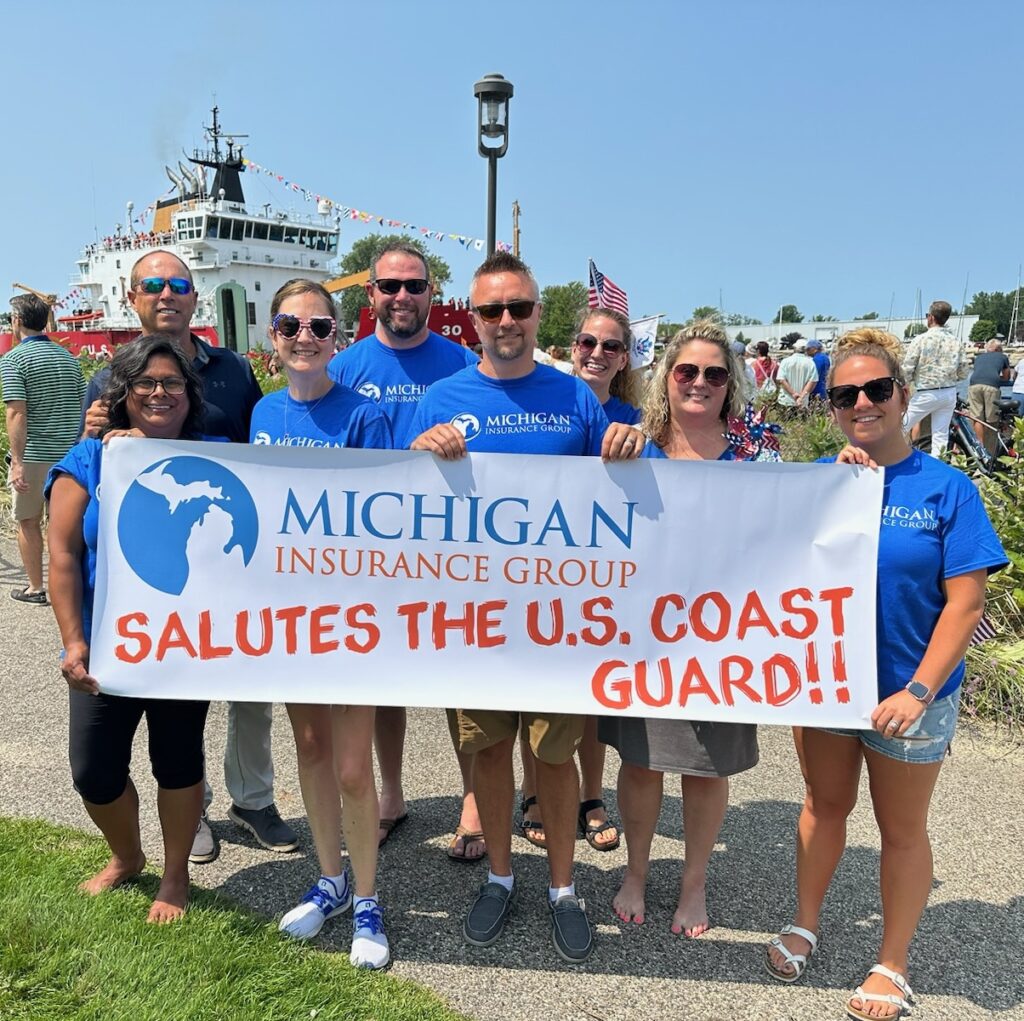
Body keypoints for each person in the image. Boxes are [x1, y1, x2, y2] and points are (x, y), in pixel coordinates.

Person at [408, 251, 642, 964]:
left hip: (557, 623)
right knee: (485, 751)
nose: (505, 321)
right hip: (474, 619)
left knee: (555, 755)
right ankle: (503, 876)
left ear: (539, 313)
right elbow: (392, 503)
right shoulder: (440, 400)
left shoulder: (576, 397)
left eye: (519, 308)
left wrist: (627, 447)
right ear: (471, 317)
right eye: (491, 310)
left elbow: (614, 489)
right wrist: (419, 452)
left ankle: (563, 889)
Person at [765, 328, 1006, 1020]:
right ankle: (806, 919)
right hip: (826, 686)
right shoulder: (821, 477)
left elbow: (966, 604)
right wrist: (827, 484)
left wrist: (919, 689)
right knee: (822, 804)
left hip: (911, 690)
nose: (862, 403)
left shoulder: (947, 488)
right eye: (846, 394)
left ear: (903, 395)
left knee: (902, 830)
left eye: (876, 390)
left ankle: (892, 961)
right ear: (831, 404)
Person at [82, 250, 296, 866]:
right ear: (133, 296)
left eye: (179, 284)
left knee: (250, 690)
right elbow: (90, 476)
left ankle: (253, 799)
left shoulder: (230, 368)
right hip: (161, 564)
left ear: (194, 297)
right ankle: (191, 811)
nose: (167, 294)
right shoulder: (109, 378)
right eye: (154, 285)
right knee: (177, 702)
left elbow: (264, 447)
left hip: (230, 553)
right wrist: (101, 437)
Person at [600, 319, 774, 937]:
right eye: (686, 371)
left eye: (714, 373)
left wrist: (848, 469)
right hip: (643, 635)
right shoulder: (632, 444)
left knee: (706, 767)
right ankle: (638, 871)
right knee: (643, 762)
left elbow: (804, 517)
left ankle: (695, 881)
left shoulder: (757, 453)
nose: (700, 383)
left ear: (731, 384)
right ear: (665, 379)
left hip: (726, 636)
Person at [46, 336, 216, 923]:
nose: (159, 394)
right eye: (145, 383)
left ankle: (174, 875)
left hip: (184, 646)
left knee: (178, 761)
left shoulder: (215, 457)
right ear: (123, 394)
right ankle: (126, 855)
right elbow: (62, 555)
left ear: (189, 397)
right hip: (104, 647)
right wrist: (73, 641)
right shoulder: (90, 459)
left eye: (172, 384)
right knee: (93, 771)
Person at [327, 242, 482, 860]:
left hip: (448, 545)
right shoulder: (344, 367)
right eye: (389, 286)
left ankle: (473, 799)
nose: (401, 297)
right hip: (373, 551)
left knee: (460, 676)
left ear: (431, 294)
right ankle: (391, 794)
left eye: (414, 286)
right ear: (371, 295)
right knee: (380, 678)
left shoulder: (463, 362)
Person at [255, 279, 393, 969]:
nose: (303, 338)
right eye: (289, 326)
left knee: (348, 765)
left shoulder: (363, 415)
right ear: (272, 335)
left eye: (318, 327)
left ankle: (368, 896)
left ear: (338, 335)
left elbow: (386, 514)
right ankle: (331, 878)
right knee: (308, 746)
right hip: (288, 612)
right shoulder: (262, 411)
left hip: (353, 612)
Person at [516, 307, 641, 856]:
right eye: (587, 341)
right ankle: (534, 789)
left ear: (624, 358)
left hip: (601, 577)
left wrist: (639, 441)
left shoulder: (637, 418)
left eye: (610, 346)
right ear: (571, 346)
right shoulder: (552, 401)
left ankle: (592, 794)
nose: (596, 352)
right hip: (537, 571)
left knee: (589, 696)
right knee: (527, 690)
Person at [2, 293, 86, 604]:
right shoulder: (68, 358)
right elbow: (82, 405)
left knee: (28, 521)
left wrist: (17, 462)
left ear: (18, 321)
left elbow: (16, 413)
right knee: (63, 524)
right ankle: (69, 587)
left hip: (35, 455)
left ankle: (36, 588)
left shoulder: (13, 360)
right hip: (68, 456)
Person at [902, 300, 969, 457]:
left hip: (926, 391)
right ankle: (938, 467)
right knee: (940, 436)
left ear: (931, 317)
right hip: (948, 392)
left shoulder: (921, 340)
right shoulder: (956, 341)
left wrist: (906, 383)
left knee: (899, 427)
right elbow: (964, 371)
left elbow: (907, 368)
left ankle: (890, 459)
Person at [967, 338, 1011, 454]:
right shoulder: (1002, 357)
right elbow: (1007, 377)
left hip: (974, 384)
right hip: (991, 386)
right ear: (998, 349)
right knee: (992, 419)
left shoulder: (979, 358)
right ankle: (990, 452)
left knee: (977, 418)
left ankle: (979, 448)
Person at [776, 340, 819, 410]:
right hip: (802, 403)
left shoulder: (785, 361)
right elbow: (812, 381)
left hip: (786, 400)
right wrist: (801, 397)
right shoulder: (811, 363)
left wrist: (793, 394)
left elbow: (781, 380)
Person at [806, 338, 830, 403]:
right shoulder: (825, 357)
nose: (806, 351)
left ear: (814, 349)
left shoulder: (816, 360)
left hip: (816, 389)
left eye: (808, 349)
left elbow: (814, 376)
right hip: (824, 388)